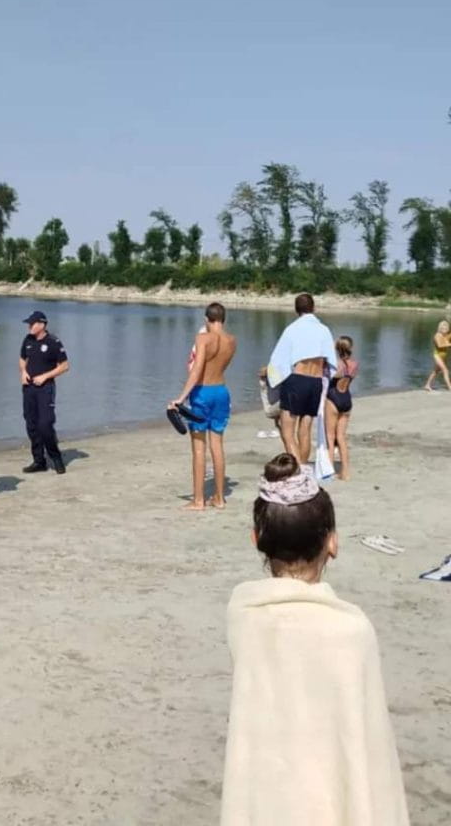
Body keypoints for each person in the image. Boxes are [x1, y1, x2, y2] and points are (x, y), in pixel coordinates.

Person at [220, 453, 409, 824]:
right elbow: (368, 747)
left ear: (257, 540)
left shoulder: (244, 616)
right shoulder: (351, 630)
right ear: (332, 543)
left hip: (267, 802)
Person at [168, 302, 236, 510]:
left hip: (202, 393)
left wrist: (181, 398)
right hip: (221, 391)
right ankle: (219, 498)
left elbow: (197, 370)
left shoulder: (203, 338)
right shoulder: (232, 340)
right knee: (217, 445)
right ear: (223, 319)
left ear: (206, 319)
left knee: (199, 448)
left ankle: (198, 500)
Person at [266, 293, 337, 465]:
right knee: (305, 430)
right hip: (316, 382)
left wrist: (270, 375)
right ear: (314, 308)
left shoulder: (292, 329)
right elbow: (331, 361)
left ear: (296, 309)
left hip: (297, 380)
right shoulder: (324, 329)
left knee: (287, 431)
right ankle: (303, 468)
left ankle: (297, 470)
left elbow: (278, 360)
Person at [19, 311, 70, 475]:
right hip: (29, 388)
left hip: (45, 388)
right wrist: (23, 372)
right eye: (28, 324)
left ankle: (56, 457)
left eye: (32, 324)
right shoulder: (28, 340)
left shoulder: (53, 342)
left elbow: (64, 366)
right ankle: (38, 461)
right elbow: (22, 359)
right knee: (31, 424)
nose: (29, 326)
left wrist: (45, 376)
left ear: (41, 325)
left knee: (45, 425)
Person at [325, 335, 358, 481]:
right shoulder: (354, 364)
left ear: (337, 349)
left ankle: (328, 471)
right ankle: (345, 472)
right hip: (346, 399)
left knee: (330, 437)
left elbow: (325, 378)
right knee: (341, 437)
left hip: (333, 398)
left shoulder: (335, 365)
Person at [423, 319, 451, 391]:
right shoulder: (437, 335)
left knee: (435, 371)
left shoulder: (447, 335)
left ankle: (427, 385)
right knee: (445, 370)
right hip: (437, 355)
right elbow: (440, 345)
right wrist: (449, 344)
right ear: (440, 328)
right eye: (443, 328)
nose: (445, 329)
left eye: (446, 328)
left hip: (443, 356)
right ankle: (450, 387)